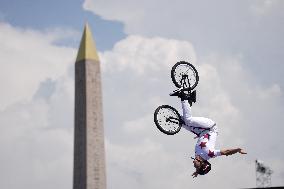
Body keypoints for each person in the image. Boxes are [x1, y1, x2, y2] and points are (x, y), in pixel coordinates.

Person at [170, 90, 247, 178]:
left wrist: (197, 172)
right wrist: (237, 150)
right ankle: (183, 95)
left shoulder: (198, 157)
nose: (193, 164)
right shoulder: (209, 154)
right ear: (202, 162)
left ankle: (189, 99)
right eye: (196, 165)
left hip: (201, 132)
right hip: (210, 127)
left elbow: (200, 166)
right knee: (188, 120)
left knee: (181, 122)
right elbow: (226, 152)